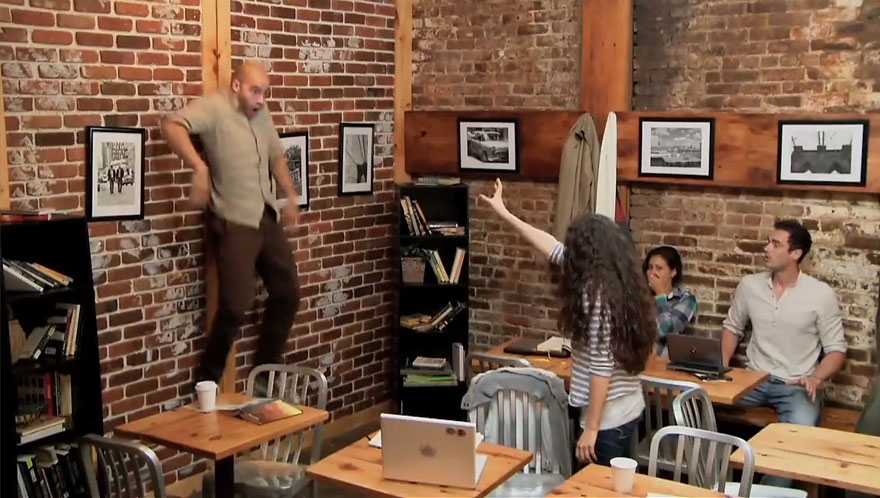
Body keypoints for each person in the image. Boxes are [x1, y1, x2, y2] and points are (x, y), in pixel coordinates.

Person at [479, 178, 656, 466]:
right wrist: (505, 213)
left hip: (608, 419)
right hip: (629, 408)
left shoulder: (595, 296)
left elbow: (601, 366)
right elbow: (550, 246)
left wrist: (592, 429)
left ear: (585, 253)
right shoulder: (617, 279)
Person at [161, 61, 301, 386]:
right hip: (233, 220)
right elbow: (171, 125)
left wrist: (290, 195)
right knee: (235, 307)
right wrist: (199, 167)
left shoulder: (260, 114)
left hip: (267, 216)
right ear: (237, 86)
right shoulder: (214, 108)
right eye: (255, 90)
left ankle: (265, 372)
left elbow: (276, 155)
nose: (261, 99)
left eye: (265, 92)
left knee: (288, 294)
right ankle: (207, 379)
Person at [722, 219, 846, 486]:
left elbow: (836, 350)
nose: (767, 248)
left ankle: (768, 492)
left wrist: (815, 378)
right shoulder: (749, 285)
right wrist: (721, 366)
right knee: (694, 404)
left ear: (796, 254)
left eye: (775, 244)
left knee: (797, 438)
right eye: (768, 241)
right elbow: (732, 328)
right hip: (752, 380)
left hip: (796, 385)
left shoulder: (820, 294)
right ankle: (704, 484)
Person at [643, 246, 697, 354]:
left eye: (659, 268)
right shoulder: (640, 296)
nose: (652, 273)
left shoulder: (686, 300)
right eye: (650, 267)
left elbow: (667, 331)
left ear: (673, 272)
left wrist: (660, 295)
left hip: (664, 364)